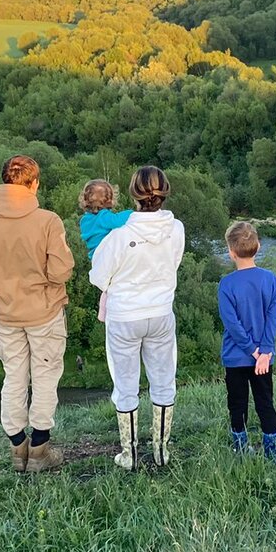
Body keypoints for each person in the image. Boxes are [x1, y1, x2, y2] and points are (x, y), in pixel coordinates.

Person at [0, 155, 74, 474]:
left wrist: (2, 278)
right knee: (44, 377)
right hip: (44, 311)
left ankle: (18, 450)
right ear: (34, 183)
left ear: (3, 182)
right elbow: (62, 270)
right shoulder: (48, 220)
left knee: (13, 377)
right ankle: (40, 450)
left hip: (7, 313)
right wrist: (40, 279)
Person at [89, 166, 185, 471]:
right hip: (160, 312)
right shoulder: (177, 228)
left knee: (126, 382)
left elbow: (99, 277)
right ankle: (161, 451)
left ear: (134, 193)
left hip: (124, 315)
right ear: (165, 192)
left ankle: (129, 454)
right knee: (163, 380)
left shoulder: (120, 233)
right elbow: (174, 263)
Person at [217, 221, 276, 462]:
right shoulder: (270, 279)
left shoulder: (226, 284)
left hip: (236, 357)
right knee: (265, 401)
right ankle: (271, 452)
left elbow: (231, 324)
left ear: (231, 252)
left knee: (237, 402)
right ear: (259, 247)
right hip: (263, 360)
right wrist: (264, 351)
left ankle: (241, 447)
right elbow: (273, 319)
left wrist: (252, 350)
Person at [77, 179, 133, 322]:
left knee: (106, 288)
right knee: (113, 285)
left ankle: (102, 313)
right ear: (110, 200)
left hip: (95, 257)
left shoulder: (85, 220)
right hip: (106, 257)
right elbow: (118, 221)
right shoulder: (104, 217)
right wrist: (134, 212)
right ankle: (105, 313)